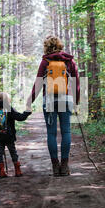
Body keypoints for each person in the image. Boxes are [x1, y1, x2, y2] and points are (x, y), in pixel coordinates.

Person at [26, 36, 80, 176]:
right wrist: (77, 101)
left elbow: (38, 84)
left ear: (47, 47)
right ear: (60, 45)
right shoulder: (69, 61)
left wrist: (29, 101)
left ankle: (55, 167)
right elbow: (76, 83)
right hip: (66, 99)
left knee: (51, 133)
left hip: (49, 100)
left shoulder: (45, 61)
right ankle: (65, 166)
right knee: (66, 132)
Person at [0, 92, 31, 178]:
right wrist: (27, 112)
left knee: (0, 152)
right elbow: (20, 117)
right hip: (9, 134)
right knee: (13, 151)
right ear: (7, 99)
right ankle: (17, 171)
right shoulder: (9, 108)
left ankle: (1, 172)